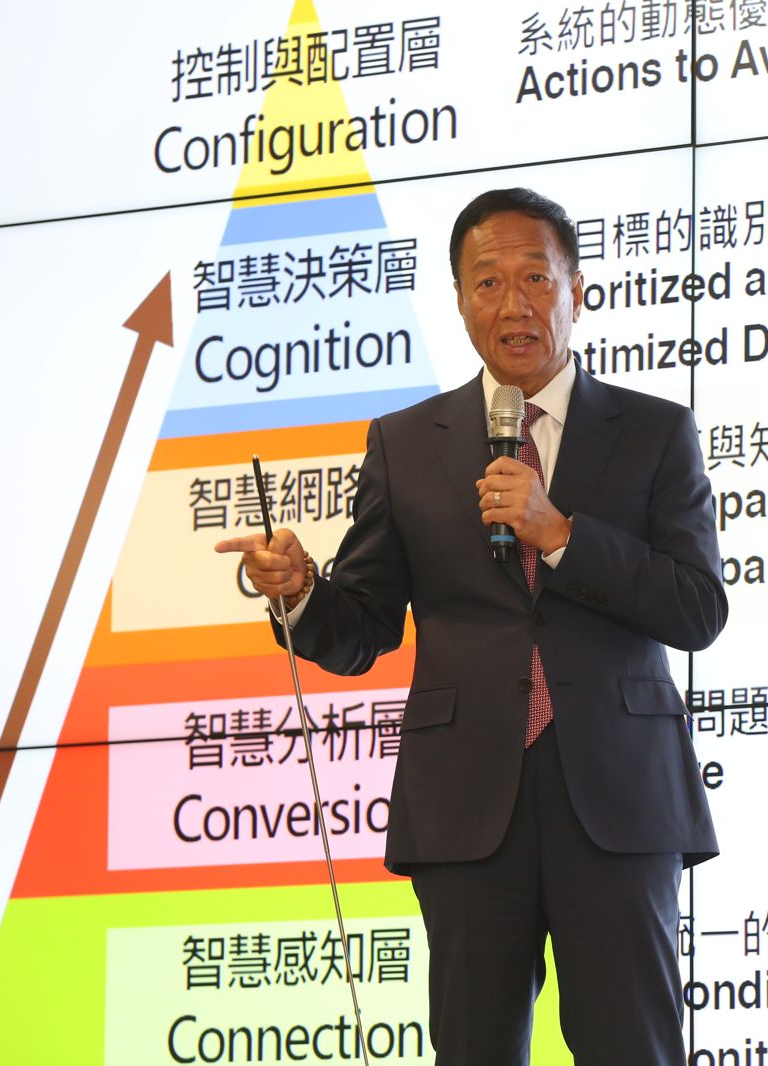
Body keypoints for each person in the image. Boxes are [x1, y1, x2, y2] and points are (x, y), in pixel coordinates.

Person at [216, 188, 725, 1065]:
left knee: (633, 1048)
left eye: (536, 278)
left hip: (619, 798)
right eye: (488, 281)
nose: (513, 303)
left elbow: (697, 608)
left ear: (577, 291)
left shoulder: (654, 431)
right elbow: (364, 626)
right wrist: (299, 593)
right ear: (459, 301)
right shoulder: (407, 443)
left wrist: (560, 535)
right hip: (466, 804)